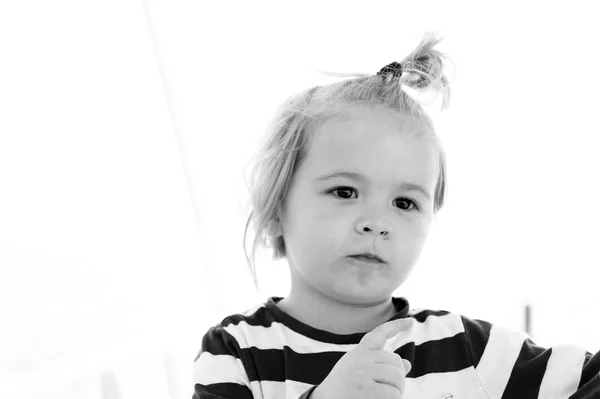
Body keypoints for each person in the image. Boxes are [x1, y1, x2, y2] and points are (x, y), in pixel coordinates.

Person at [192, 32, 600, 399]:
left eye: (404, 203)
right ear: (277, 206)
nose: (377, 222)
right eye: (345, 191)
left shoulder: (465, 348)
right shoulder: (236, 351)